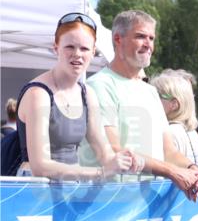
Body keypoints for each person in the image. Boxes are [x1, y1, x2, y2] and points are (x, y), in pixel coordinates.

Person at [78, 10, 198, 201]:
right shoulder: (99, 85)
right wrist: (172, 172)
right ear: (118, 39)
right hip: (107, 204)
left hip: (145, 207)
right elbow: (115, 151)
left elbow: (168, 151)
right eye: (140, 36)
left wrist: (192, 170)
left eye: (151, 38)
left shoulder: (151, 91)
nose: (148, 44)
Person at [15, 13, 133, 181]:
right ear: (55, 48)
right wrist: (101, 173)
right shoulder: (38, 94)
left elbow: (104, 154)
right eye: (70, 47)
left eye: (84, 48)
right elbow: (40, 167)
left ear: (93, 52)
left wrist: (126, 160)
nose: (77, 54)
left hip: (69, 187)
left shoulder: (87, 94)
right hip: (35, 192)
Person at [151, 70, 198, 169]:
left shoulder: (169, 133)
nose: (151, 99)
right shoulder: (192, 133)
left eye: (157, 95)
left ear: (173, 104)